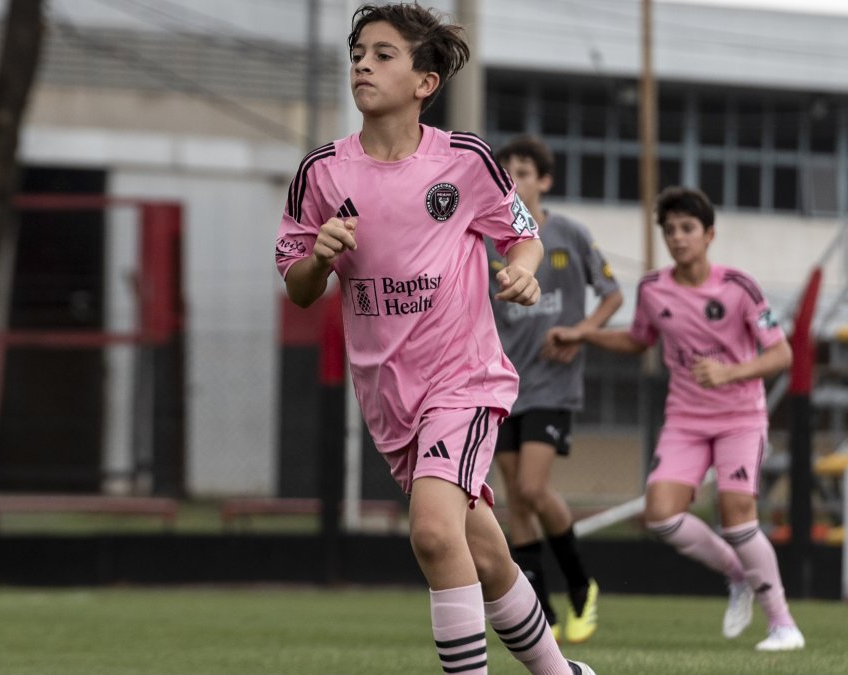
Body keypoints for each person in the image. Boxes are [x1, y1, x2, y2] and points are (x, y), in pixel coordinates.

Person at [274, 4, 595, 674]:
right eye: (358, 51)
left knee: (431, 530)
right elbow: (298, 285)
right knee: (482, 549)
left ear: (425, 81)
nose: (362, 62)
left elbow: (523, 236)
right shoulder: (323, 173)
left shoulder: (464, 160)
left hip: (464, 380)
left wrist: (526, 276)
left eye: (383, 53)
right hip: (389, 399)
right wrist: (321, 256)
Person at [548, 186, 806, 652]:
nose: (678, 238)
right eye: (670, 231)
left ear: (709, 235)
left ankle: (783, 625)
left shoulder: (739, 287)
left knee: (736, 518)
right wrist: (586, 334)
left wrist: (731, 371)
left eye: (687, 229)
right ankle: (738, 573)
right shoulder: (653, 289)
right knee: (661, 514)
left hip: (740, 418)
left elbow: (782, 353)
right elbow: (639, 340)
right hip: (685, 419)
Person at [486, 136, 622, 644]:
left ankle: (582, 585)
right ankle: (539, 607)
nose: (514, 180)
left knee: (531, 489)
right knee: (517, 503)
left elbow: (612, 295)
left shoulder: (568, 234)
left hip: (552, 384)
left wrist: (581, 333)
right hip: (503, 385)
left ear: (544, 181)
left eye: (523, 172)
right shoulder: (488, 242)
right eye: (506, 173)